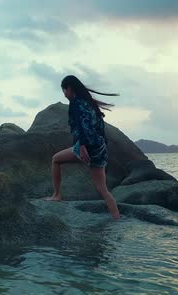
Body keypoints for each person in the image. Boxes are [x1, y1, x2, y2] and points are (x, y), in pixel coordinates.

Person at [43, 74, 120, 221]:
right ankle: (117, 218)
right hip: (100, 147)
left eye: (64, 90)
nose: (64, 94)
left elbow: (82, 126)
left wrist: (83, 146)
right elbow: (99, 127)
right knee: (103, 189)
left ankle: (57, 195)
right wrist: (101, 148)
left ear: (70, 88)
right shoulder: (90, 103)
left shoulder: (76, 103)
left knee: (55, 160)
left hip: (87, 146)